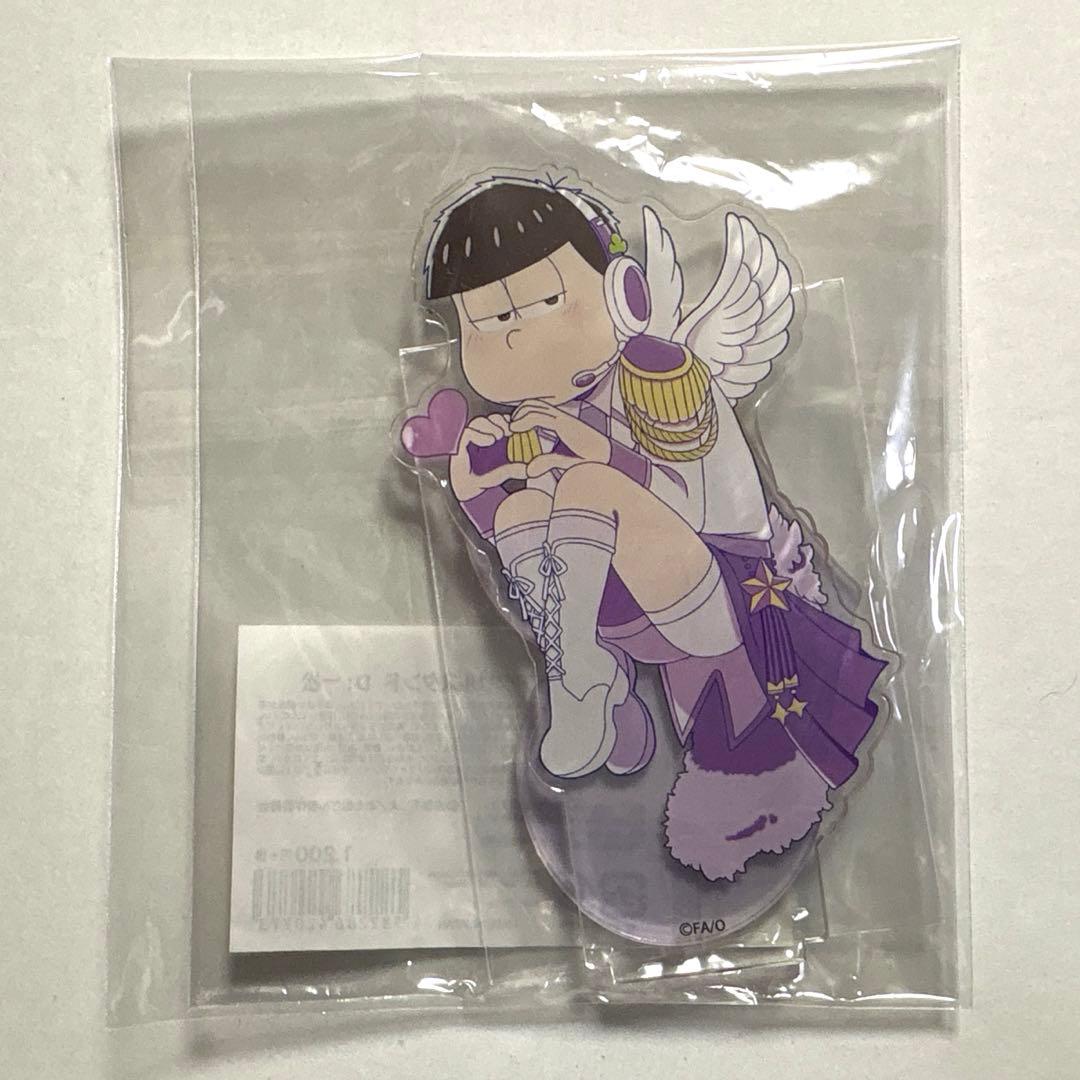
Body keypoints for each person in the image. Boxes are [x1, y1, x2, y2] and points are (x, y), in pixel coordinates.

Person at [422, 174, 886, 880]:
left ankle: (588, 677)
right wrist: (477, 494)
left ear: (625, 294)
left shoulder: (662, 377)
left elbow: (699, 505)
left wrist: (595, 453)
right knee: (521, 509)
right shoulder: (531, 422)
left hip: (721, 591)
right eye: (487, 322)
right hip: (626, 622)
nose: (517, 335)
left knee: (589, 486)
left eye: (546, 302)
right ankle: (588, 682)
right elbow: (531, 561)